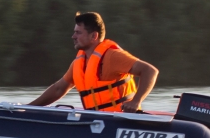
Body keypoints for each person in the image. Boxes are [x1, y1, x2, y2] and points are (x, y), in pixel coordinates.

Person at [28, 12, 158, 113]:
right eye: (74, 32)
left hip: (121, 121)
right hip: (97, 123)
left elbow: (150, 71)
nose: (73, 36)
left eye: (78, 33)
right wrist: (28, 108)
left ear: (94, 36)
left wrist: (136, 101)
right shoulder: (79, 63)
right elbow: (58, 89)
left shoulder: (113, 56)